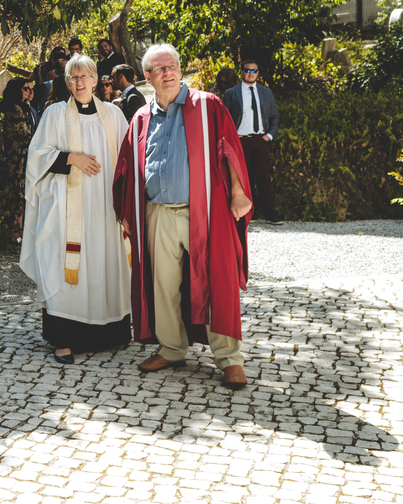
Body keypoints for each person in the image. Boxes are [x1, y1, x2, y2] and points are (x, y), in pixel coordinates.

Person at [112, 44, 253, 390]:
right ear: (147, 77)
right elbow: (128, 167)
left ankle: (229, 359)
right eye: (159, 69)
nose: (168, 73)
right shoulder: (142, 117)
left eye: (172, 65)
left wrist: (238, 192)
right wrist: (127, 211)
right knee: (162, 284)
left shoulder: (207, 106)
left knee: (217, 282)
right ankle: (172, 348)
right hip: (157, 212)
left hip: (204, 212)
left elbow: (229, 148)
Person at [20, 55, 132, 363]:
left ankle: (108, 333)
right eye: (72, 77)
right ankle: (63, 340)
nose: (79, 82)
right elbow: (37, 156)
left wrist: (127, 208)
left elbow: (128, 162)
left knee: (104, 264)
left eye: (84, 76)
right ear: (66, 82)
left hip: (106, 212)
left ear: (96, 80)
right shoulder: (55, 114)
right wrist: (71, 158)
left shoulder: (113, 115)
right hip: (68, 211)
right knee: (66, 267)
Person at [222, 61, 282, 224]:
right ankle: (250, 212)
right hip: (240, 142)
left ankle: (270, 213)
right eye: (247, 70)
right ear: (241, 72)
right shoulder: (231, 94)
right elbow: (224, 119)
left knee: (263, 176)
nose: (250, 73)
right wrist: (232, 137)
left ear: (258, 72)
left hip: (261, 140)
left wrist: (269, 135)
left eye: (254, 70)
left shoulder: (266, 92)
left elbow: (274, 117)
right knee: (244, 177)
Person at [1, 78, 35, 242]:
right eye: (25, 89)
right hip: (17, 158)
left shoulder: (24, 108)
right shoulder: (14, 109)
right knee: (16, 193)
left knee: (22, 193)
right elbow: (26, 132)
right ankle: (15, 231)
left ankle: (20, 230)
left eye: (30, 89)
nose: (29, 92)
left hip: (23, 156)